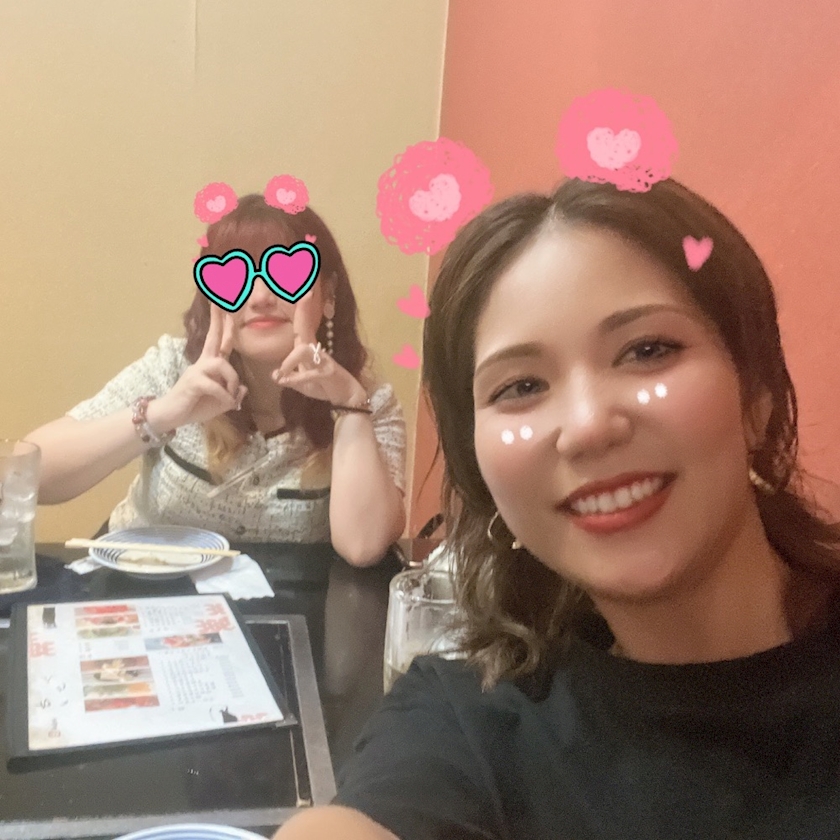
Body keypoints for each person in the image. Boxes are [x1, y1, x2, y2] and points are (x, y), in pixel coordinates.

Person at [274, 177, 840, 838]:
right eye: (520, 387)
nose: (588, 427)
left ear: (757, 396)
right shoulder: (471, 720)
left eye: (648, 351)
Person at [27, 195, 406, 566]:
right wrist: (162, 414)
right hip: (141, 587)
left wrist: (349, 407)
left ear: (329, 293)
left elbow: (362, 547)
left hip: (286, 600)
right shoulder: (173, 367)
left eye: (285, 274)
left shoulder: (367, 400)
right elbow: (30, 477)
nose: (260, 297)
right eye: (238, 277)